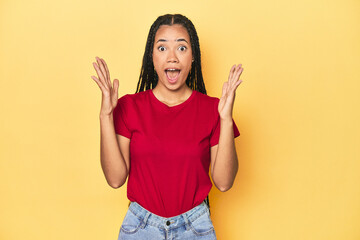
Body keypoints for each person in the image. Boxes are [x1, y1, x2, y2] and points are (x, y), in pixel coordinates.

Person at [91, 14, 243, 240]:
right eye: (162, 48)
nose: (172, 57)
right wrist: (105, 115)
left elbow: (223, 182)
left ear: (193, 57)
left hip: (195, 228)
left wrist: (226, 120)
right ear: (151, 57)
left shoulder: (214, 110)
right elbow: (115, 179)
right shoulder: (129, 107)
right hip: (140, 228)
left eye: (181, 48)